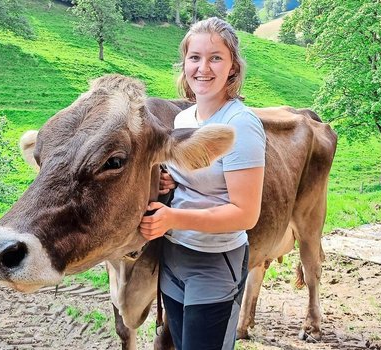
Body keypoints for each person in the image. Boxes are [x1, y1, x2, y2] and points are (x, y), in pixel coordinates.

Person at [139, 17, 266, 350]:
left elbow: (245, 214)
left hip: (214, 261)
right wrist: (170, 183)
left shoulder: (241, 125)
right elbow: (192, 184)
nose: (203, 67)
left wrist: (173, 219)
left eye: (215, 58)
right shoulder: (184, 120)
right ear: (184, 63)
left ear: (233, 67)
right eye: (195, 57)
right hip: (174, 256)